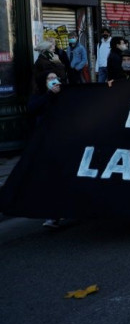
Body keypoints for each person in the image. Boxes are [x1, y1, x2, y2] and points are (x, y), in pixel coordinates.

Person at [27, 70, 64, 229]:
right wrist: (49, 94)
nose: (53, 80)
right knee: (52, 177)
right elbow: (32, 108)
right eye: (49, 78)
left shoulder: (65, 94)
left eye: (55, 77)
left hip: (65, 140)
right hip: (47, 142)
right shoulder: (39, 97)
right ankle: (53, 214)